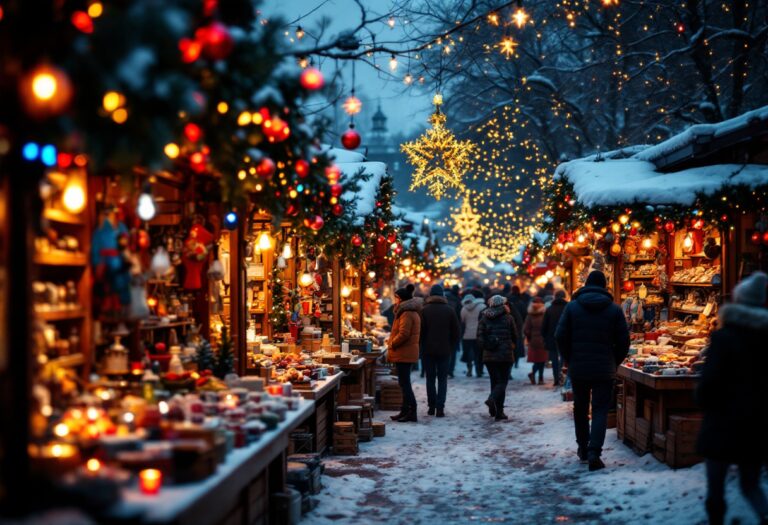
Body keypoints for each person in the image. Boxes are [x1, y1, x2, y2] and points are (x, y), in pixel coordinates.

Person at [696, 271, 768, 525]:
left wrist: (703, 402)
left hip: (722, 422)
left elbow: (710, 381)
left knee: (716, 486)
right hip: (756, 423)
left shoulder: (724, 338)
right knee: (751, 484)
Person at [555, 270, 629, 471]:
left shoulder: (572, 307)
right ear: (605, 286)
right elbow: (624, 341)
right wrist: (615, 361)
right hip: (604, 368)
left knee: (580, 408)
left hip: (579, 367)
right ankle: (594, 452)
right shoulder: (614, 310)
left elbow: (559, 336)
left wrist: (569, 358)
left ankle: (582, 448)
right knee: (600, 410)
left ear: (586, 284)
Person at [420, 284, 460, 417]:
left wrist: (422, 345)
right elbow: (456, 331)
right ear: (442, 295)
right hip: (444, 350)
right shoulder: (449, 310)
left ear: (430, 295)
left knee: (430, 379)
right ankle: (440, 407)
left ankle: (431, 406)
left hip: (428, 350)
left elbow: (421, 331)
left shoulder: (424, 310)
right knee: (442, 379)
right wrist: (451, 346)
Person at [477, 295, 518, 421]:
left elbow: (479, 338)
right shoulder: (508, 318)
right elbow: (515, 335)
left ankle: (493, 409)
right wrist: (511, 345)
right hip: (505, 355)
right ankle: (497, 407)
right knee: (502, 382)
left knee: (494, 381)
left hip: (489, 356)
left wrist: (487, 347)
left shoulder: (484, 318)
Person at [387, 284, 422, 423]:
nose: (395, 300)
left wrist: (392, 343)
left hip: (404, 353)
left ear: (401, 299)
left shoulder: (406, 313)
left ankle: (411, 411)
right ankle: (405, 410)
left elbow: (404, 333)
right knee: (403, 382)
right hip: (405, 352)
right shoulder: (408, 311)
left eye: (396, 298)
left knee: (405, 383)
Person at [541, 290, 568, 386]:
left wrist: (544, 337)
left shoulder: (550, 309)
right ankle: (562, 377)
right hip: (565, 338)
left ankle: (556, 378)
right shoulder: (567, 307)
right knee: (563, 358)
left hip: (551, 338)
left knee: (554, 359)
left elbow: (544, 326)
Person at [460, 295, 486, 377]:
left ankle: (469, 370)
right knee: (479, 353)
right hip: (479, 334)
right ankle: (479, 370)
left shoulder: (463, 309)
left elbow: (462, 321)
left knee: (468, 354)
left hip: (467, 335)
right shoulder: (482, 306)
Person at [523, 297, 548, 384]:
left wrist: (529, 337)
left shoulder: (530, 315)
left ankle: (533, 374)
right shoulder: (544, 315)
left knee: (537, 360)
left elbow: (526, 329)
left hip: (533, 340)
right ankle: (540, 378)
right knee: (542, 360)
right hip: (543, 340)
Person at [445, 284, 463, 378]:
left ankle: (444, 369)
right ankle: (450, 370)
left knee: (444, 352)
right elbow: (460, 318)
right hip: (454, 329)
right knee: (453, 352)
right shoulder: (457, 301)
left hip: (444, 330)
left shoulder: (445, 300)